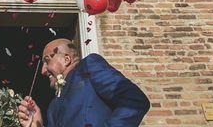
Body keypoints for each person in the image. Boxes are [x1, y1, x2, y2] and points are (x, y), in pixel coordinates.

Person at [17, 39, 150, 127]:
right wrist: (36, 123)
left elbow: (134, 100)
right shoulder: (52, 108)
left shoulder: (88, 66)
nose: (43, 70)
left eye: (47, 61)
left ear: (66, 59)